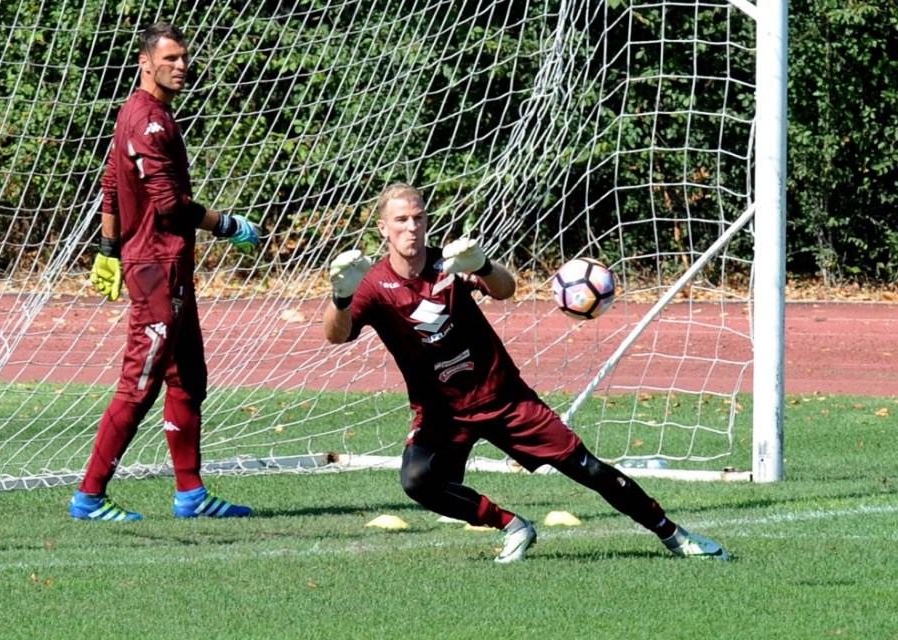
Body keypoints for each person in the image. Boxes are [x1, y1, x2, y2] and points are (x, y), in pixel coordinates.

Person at [323, 182, 730, 562]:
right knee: (417, 481)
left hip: (502, 396)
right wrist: (342, 297)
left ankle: (674, 535)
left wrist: (482, 265)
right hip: (441, 411)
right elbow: (336, 336)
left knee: (586, 467)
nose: (412, 227)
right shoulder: (371, 283)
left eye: (419, 217)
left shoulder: (449, 264)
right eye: (401, 220)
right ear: (383, 228)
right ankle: (513, 526)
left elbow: (505, 289)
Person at [71, 22, 258, 521]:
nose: (181, 66)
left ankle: (191, 494)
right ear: (145, 63)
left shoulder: (135, 111)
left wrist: (109, 246)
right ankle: (89, 496)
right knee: (141, 381)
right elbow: (171, 205)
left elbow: (111, 180)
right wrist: (228, 223)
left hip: (162, 265)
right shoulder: (151, 123)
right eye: (171, 58)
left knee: (188, 378)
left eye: (184, 58)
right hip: (157, 268)